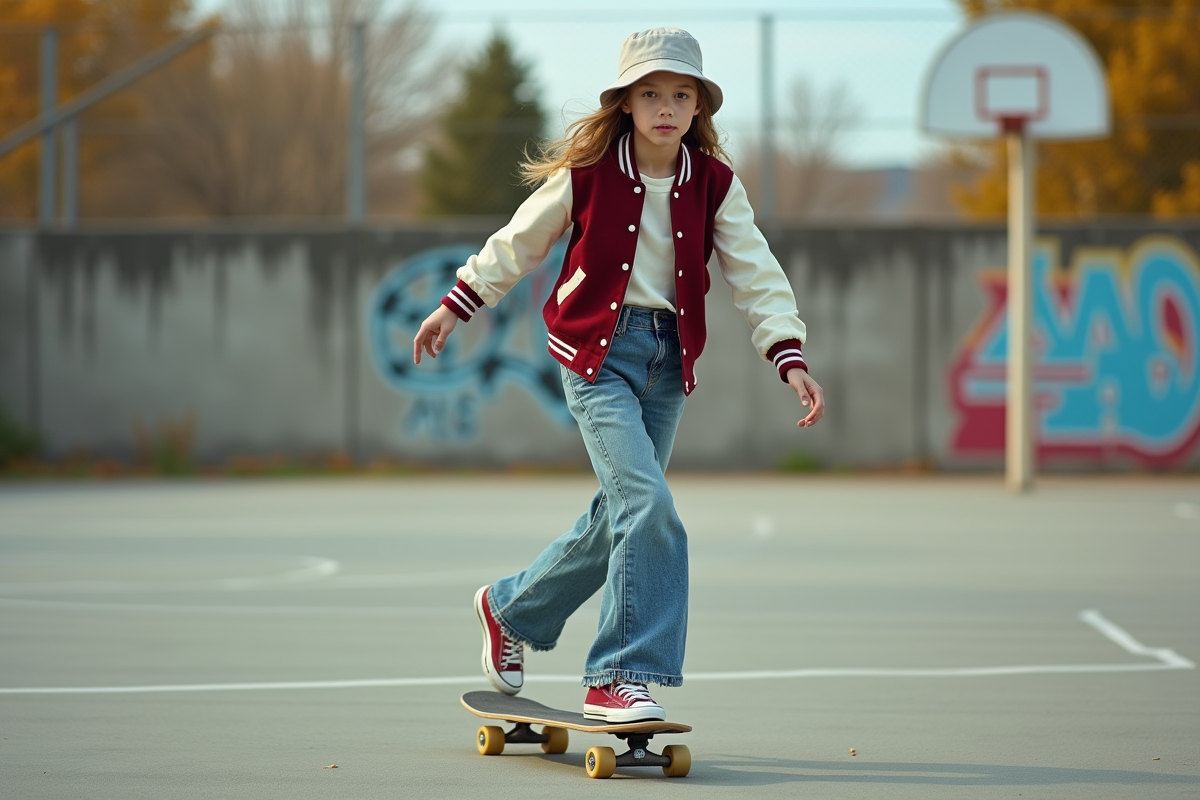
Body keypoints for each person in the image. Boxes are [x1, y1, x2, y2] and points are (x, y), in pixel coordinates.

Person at [412, 27, 824, 723]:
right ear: (626, 104)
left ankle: (508, 609)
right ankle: (616, 676)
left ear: (699, 108)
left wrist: (788, 354)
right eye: (651, 93)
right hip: (595, 357)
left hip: (667, 361)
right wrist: (459, 303)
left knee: (621, 518)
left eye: (680, 94)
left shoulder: (716, 185)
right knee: (648, 508)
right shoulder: (588, 174)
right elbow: (519, 242)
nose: (666, 106)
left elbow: (756, 272)